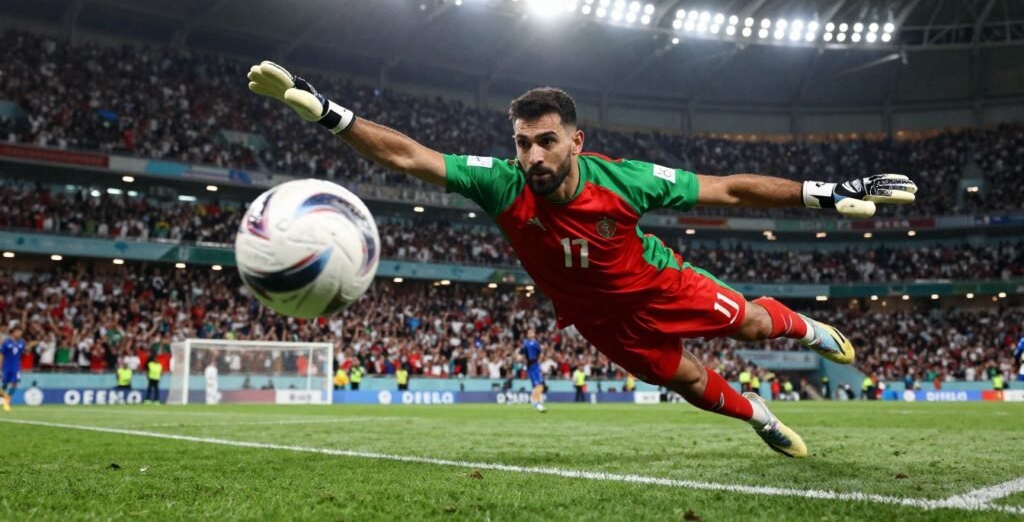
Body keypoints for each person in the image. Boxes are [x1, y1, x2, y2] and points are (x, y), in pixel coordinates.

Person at [247, 62, 917, 458]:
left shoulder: (625, 180)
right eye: (521, 143)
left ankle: (809, 330)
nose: (532, 156)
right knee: (687, 381)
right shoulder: (499, 181)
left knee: (749, 326)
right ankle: (760, 416)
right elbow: (410, 156)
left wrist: (824, 193)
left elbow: (729, 187)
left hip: (658, 285)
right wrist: (325, 111)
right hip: (597, 320)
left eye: (545, 141)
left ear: (576, 140)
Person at [0, 327, 27, 412]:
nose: (20, 334)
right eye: (18, 331)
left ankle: (7, 402)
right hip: (6, 367)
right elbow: (1, 354)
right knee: (5, 384)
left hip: (16, 367)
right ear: (13, 332)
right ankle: (4, 399)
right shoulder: (6, 343)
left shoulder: (22, 343)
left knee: (15, 383)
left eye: (21, 332)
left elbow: (22, 354)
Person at [520, 329, 546, 412]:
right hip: (531, 366)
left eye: (531, 332)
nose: (530, 334)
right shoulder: (526, 343)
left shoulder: (536, 343)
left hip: (535, 365)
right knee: (539, 386)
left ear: (534, 334)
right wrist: (522, 361)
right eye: (528, 332)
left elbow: (541, 353)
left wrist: (540, 359)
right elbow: (521, 354)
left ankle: (536, 402)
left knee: (537, 386)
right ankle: (537, 403)